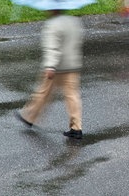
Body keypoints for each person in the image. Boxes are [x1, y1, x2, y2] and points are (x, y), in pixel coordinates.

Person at [15, 9, 84, 139]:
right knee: (72, 96)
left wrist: (50, 66)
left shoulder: (52, 24)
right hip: (73, 65)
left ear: (52, 9)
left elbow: (52, 48)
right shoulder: (74, 21)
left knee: (43, 92)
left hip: (57, 67)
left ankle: (29, 116)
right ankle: (76, 128)